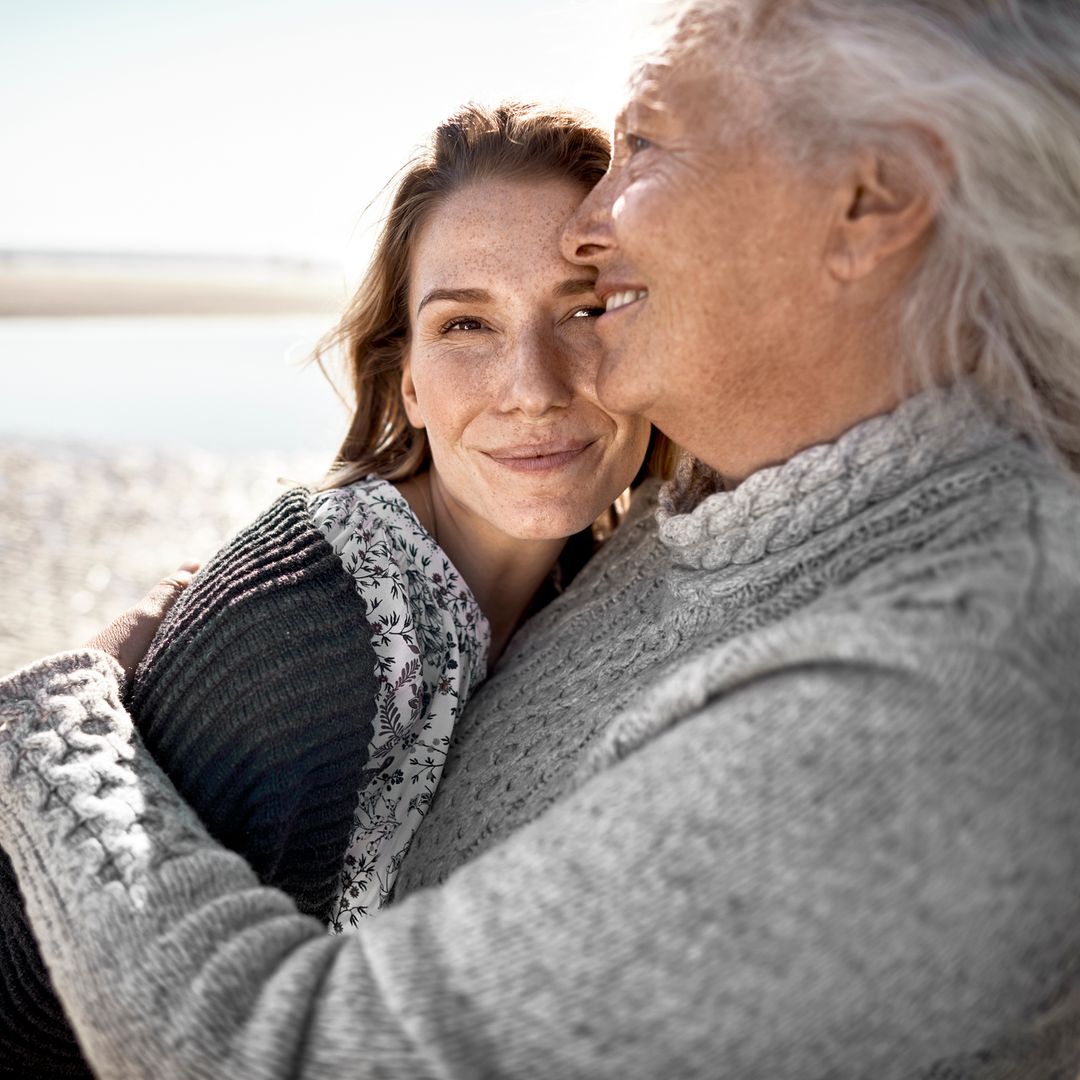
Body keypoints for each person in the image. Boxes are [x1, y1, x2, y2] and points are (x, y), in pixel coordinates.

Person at [2, 1, 1080, 1077]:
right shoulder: (724, 501)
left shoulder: (938, 679)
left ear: (869, 197)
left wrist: (43, 722)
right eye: (466, 323)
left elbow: (279, 1056)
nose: (591, 225)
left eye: (646, 141)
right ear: (406, 374)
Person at [0, 102, 652, 1077]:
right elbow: (75, 1010)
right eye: (467, 323)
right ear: (410, 384)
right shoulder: (324, 622)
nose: (534, 384)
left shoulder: (587, 568)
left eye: (584, 308)